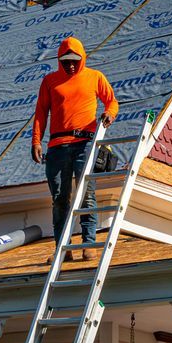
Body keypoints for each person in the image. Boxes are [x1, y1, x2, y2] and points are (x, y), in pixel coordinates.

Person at [31, 36, 118, 260]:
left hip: (84, 143)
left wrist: (109, 114)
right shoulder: (50, 81)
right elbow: (41, 113)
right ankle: (62, 248)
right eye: (66, 61)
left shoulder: (94, 77)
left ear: (81, 59)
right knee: (60, 198)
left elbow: (112, 101)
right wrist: (36, 141)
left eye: (74, 61)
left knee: (86, 193)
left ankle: (89, 243)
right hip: (57, 146)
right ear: (60, 60)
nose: (70, 65)